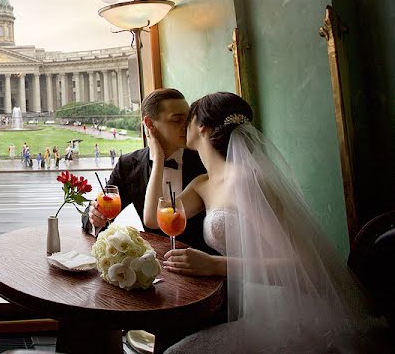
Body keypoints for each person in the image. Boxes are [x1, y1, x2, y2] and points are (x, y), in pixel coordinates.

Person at [146, 92, 387, 353]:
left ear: (202, 128)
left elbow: (305, 267)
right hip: (256, 309)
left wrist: (215, 264)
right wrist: (157, 157)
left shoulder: (247, 182)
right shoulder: (202, 184)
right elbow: (153, 218)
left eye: (187, 120)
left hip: (290, 312)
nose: (182, 127)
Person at [83, 89, 211, 253]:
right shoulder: (128, 164)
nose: (186, 126)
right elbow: (99, 208)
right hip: (153, 263)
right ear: (150, 124)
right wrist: (95, 217)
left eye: (188, 119)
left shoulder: (204, 161)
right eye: (178, 120)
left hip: (201, 262)